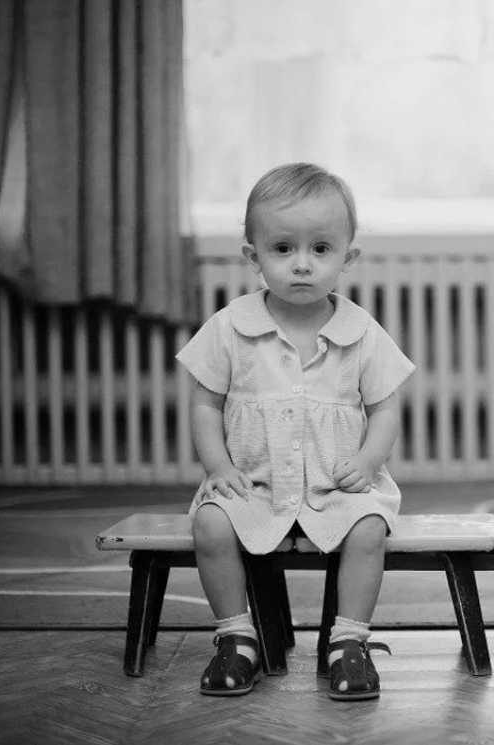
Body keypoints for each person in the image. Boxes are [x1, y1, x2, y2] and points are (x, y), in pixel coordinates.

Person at [176, 162, 415, 700]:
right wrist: (219, 467)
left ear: (348, 257)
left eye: (321, 249)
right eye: (283, 248)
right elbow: (205, 406)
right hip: (254, 483)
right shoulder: (230, 327)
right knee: (210, 524)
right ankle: (236, 637)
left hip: (338, 485)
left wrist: (369, 462)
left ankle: (348, 641)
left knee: (369, 529)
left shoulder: (362, 332)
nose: (302, 264)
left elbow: (385, 410)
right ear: (253, 256)